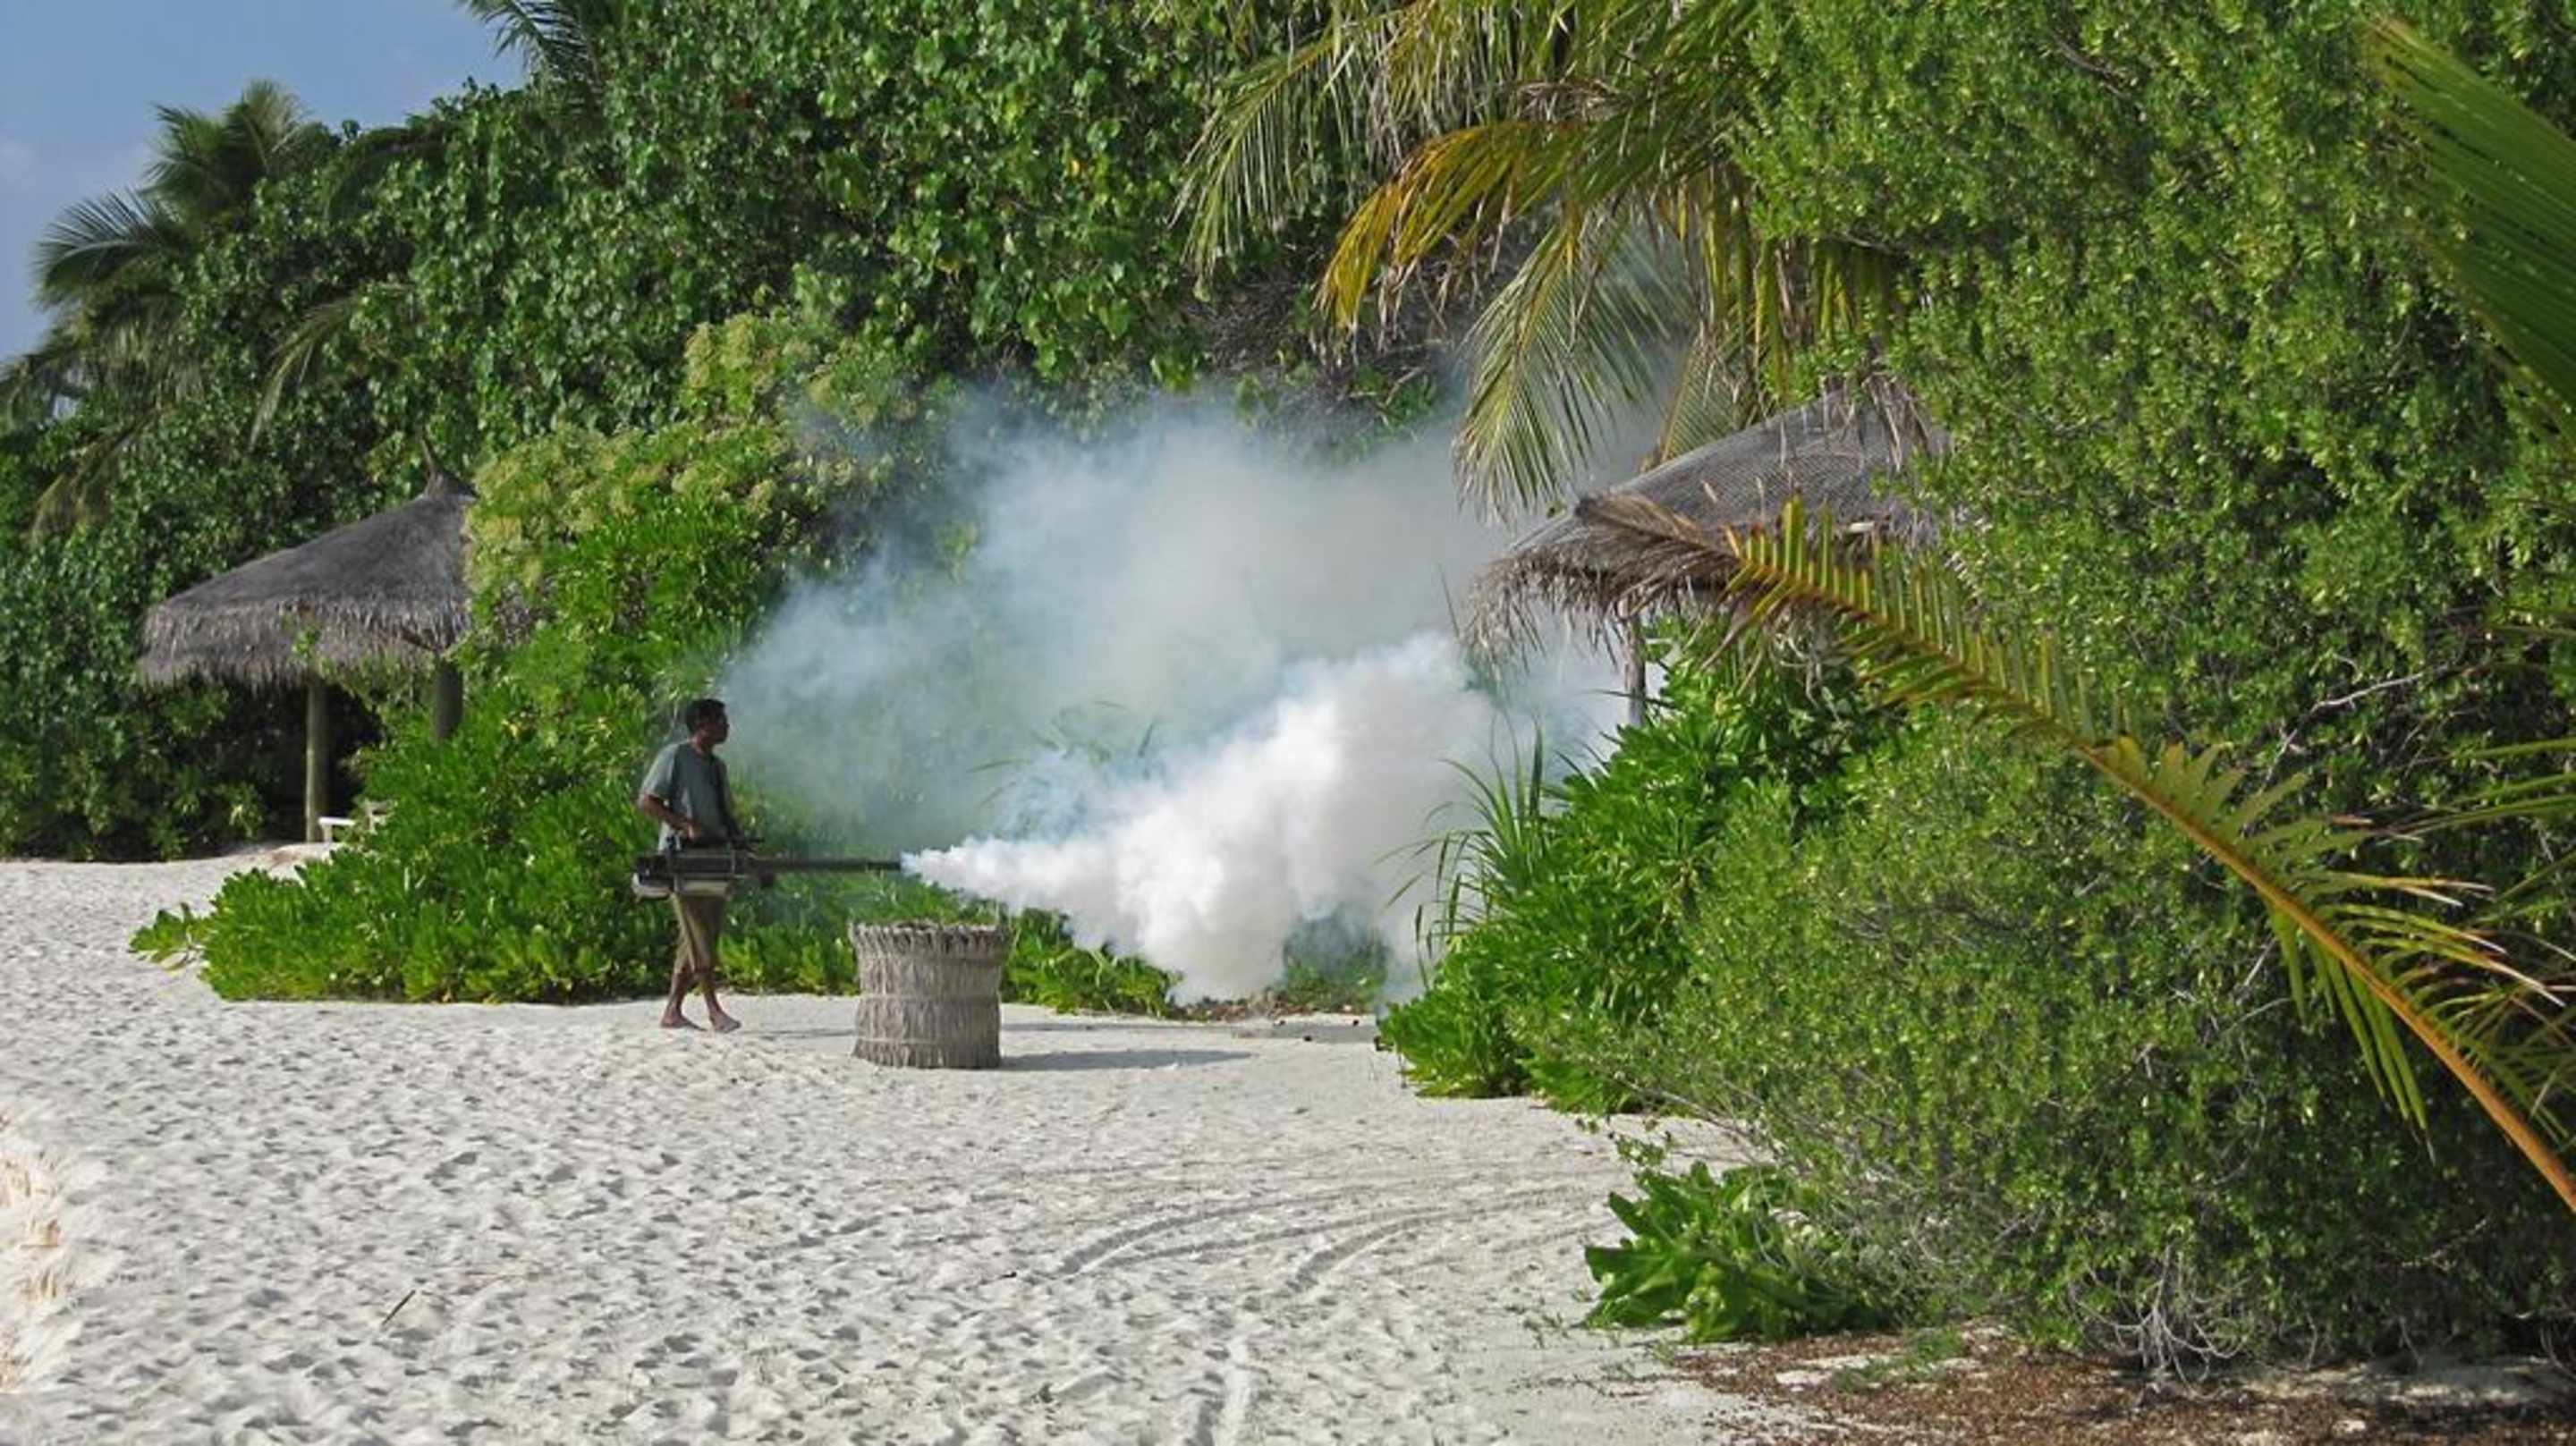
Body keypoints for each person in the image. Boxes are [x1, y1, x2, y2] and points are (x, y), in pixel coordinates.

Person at [636, 698, 743, 1033]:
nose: (727, 726)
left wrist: (741, 845)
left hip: (714, 857)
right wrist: (684, 824)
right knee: (699, 933)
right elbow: (647, 802)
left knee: (701, 933)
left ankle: (672, 1012)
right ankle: (714, 1010)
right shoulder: (676, 756)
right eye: (720, 721)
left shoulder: (717, 766)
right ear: (702, 725)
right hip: (683, 859)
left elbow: (727, 815)